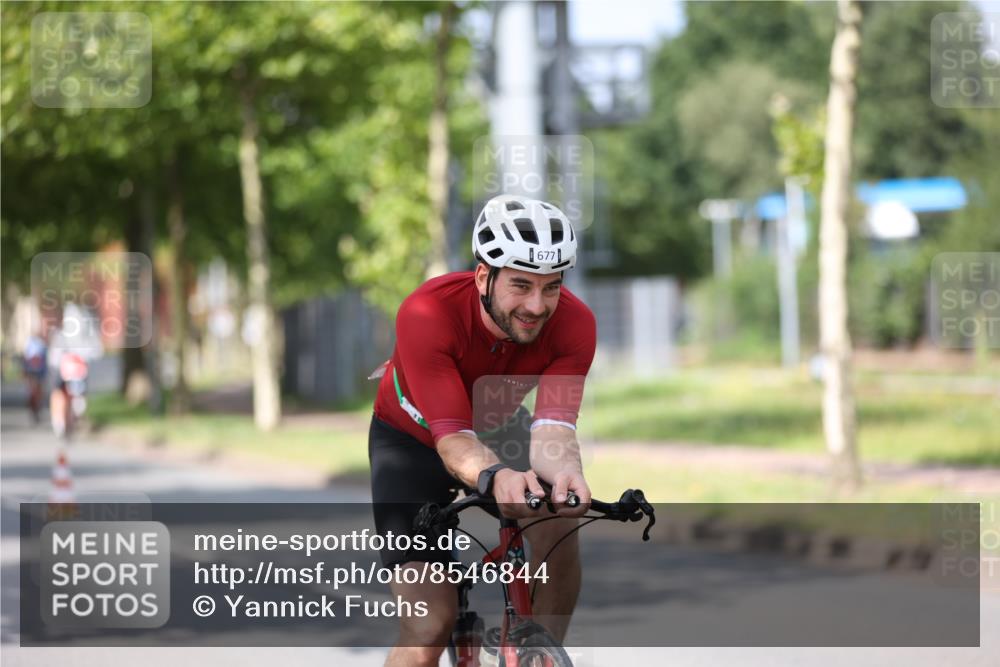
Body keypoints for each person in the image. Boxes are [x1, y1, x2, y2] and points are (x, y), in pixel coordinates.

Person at [369, 194, 596, 667]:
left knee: (558, 523)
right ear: (482, 277)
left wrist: (567, 475)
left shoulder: (575, 325)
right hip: (412, 440)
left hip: (495, 424)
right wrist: (495, 476)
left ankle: (540, 653)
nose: (537, 305)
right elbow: (452, 440)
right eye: (521, 285)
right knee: (429, 623)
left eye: (551, 287)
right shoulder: (427, 313)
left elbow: (554, 430)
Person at [21, 331, 48, 423]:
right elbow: (26, 357)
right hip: (32, 371)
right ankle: (32, 406)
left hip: (39, 372)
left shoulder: (42, 344)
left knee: (39, 391)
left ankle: (37, 407)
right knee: (32, 390)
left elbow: (45, 359)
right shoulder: (30, 343)